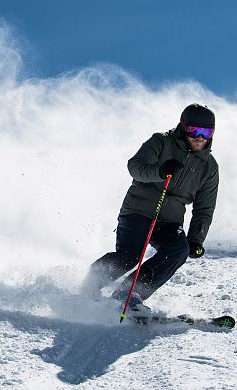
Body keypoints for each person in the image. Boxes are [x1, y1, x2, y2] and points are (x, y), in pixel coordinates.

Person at [83, 104, 219, 312]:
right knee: (130, 256)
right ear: (183, 128)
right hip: (138, 210)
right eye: (194, 131)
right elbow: (135, 167)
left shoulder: (209, 166)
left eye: (206, 133)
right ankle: (92, 283)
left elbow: (205, 207)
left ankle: (129, 293)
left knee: (179, 249)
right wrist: (160, 171)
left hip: (170, 220)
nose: (200, 137)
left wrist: (195, 239)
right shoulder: (161, 142)